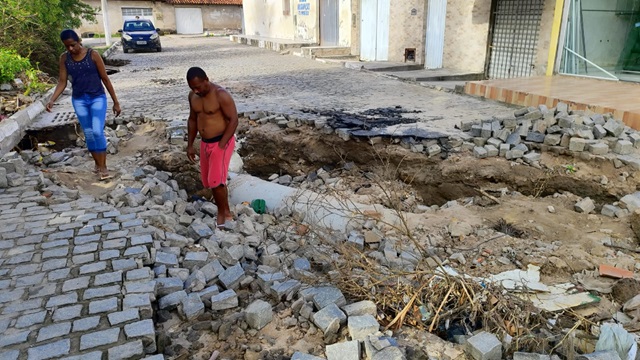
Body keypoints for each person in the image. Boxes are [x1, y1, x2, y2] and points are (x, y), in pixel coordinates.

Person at [46, 29, 121, 180]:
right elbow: (62, 81)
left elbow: (105, 79)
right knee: (88, 133)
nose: (70, 49)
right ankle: (97, 164)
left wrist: (115, 102)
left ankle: (104, 166)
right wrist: (52, 99)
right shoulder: (64, 58)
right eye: (67, 46)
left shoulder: (93, 55)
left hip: (97, 98)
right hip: (79, 100)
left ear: (79, 41)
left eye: (73, 45)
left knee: (97, 131)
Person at [186, 67, 238, 227]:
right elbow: (193, 120)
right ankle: (223, 209)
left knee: (216, 181)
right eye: (192, 87)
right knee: (208, 181)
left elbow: (233, 120)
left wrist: (221, 146)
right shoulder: (193, 96)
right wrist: (190, 145)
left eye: (198, 86)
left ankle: (225, 214)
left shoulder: (220, 95)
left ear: (206, 80)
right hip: (205, 142)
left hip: (222, 141)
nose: (196, 90)